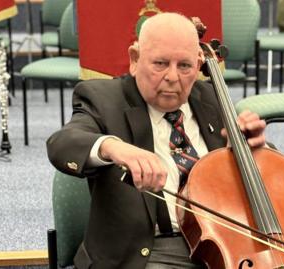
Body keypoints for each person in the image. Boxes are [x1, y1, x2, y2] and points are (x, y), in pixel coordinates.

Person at [47, 12, 267, 269]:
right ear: (135, 59)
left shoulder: (212, 98)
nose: (172, 77)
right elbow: (62, 144)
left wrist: (255, 148)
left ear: (198, 65)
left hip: (222, 243)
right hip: (148, 250)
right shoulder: (102, 98)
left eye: (184, 66)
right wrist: (112, 147)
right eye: (160, 63)